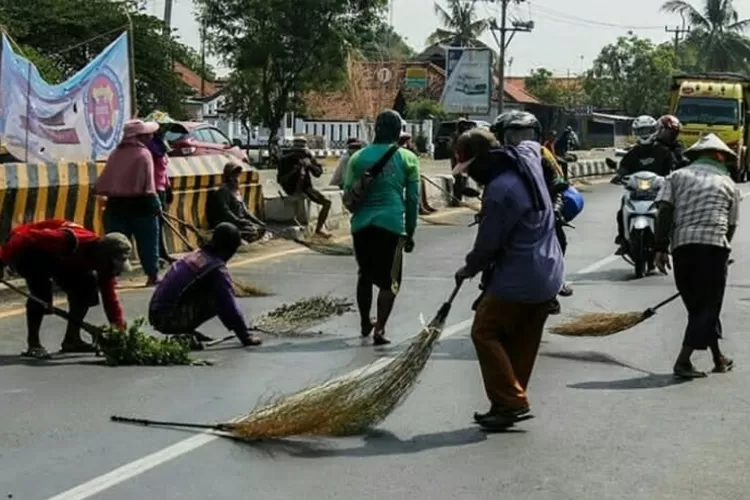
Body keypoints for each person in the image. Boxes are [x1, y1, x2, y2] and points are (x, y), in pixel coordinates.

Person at [453, 121, 564, 431]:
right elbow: (530, 143)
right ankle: (506, 403)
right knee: (522, 340)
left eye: (471, 167)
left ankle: (512, 400)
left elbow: (488, 244)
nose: (471, 175)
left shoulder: (500, 191)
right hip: (549, 274)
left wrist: (469, 267)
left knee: (484, 331)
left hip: (520, 275)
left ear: (486, 158)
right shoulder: (526, 159)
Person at [653, 134, 740, 379]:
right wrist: (724, 249)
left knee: (698, 307)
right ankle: (683, 361)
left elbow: (664, 212)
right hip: (714, 247)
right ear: (720, 156)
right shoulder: (728, 183)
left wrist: (660, 247)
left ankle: (718, 357)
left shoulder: (676, 177)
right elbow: (731, 225)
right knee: (707, 307)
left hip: (682, 246)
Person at [0, 220, 132, 359]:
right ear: (102, 255)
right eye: (112, 265)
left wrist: (119, 332)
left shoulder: (104, 266)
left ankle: (72, 340)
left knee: (86, 288)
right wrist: (2, 261)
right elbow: (24, 238)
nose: (114, 272)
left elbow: (110, 300)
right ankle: (34, 344)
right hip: (28, 247)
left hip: (59, 257)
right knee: (41, 292)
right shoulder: (69, 240)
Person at [344, 110, 420, 346]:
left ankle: (365, 322)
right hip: (392, 225)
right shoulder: (408, 158)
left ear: (376, 129)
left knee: (364, 275)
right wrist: (410, 232)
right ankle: (380, 329)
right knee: (390, 281)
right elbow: (412, 200)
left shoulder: (358, 158)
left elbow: (348, 193)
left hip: (361, 226)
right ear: (398, 131)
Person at [490, 111, 572, 312]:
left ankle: (555, 282)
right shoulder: (498, 159)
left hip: (540, 212)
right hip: (508, 214)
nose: (521, 141)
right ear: (502, 137)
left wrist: (556, 209)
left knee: (559, 237)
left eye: (525, 135)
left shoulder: (544, 155)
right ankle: (488, 285)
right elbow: (489, 189)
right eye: (514, 136)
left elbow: (558, 182)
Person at [149, 222, 263, 349]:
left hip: (156, 313)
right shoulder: (216, 269)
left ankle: (185, 329)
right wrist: (245, 335)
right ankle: (180, 329)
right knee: (219, 296)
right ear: (230, 249)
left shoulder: (198, 254)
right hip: (167, 319)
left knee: (211, 290)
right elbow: (228, 305)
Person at [96, 119, 162, 286]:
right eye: (147, 135)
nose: (150, 137)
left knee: (115, 245)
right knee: (147, 242)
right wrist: (157, 205)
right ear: (140, 136)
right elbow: (148, 185)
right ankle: (152, 275)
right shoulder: (144, 154)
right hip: (142, 205)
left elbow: (104, 180)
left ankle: (111, 278)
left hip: (116, 205)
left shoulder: (115, 154)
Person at [613, 115, 675, 255]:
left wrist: (671, 179)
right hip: (636, 191)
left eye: (647, 130)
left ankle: (669, 240)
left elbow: (672, 171)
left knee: (669, 210)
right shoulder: (632, 154)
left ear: (655, 131)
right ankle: (623, 239)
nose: (644, 134)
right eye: (641, 131)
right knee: (622, 206)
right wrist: (619, 176)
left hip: (658, 191)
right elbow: (623, 170)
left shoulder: (664, 152)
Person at [277, 136, 332, 237]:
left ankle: (319, 229)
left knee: (327, 203)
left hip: (306, 188)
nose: (301, 154)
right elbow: (280, 180)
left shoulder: (308, 157)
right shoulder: (285, 160)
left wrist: (310, 165)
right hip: (291, 187)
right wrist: (294, 171)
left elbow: (318, 173)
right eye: (298, 152)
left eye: (302, 152)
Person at [206, 163, 266, 244]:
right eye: (234, 176)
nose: (237, 179)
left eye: (237, 176)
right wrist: (239, 221)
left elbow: (246, 212)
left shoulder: (236, 192)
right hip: (229, 223)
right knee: (251, 232)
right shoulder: (223, 191)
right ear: (229, 177)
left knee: (260, 229)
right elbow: (225, 211)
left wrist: (258, 222)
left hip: (240, 223)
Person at [147, 129, 175, 265]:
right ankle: (156, 255)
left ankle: (163, 253)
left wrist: (169, 187)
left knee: (161, 223)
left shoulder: (162, 146)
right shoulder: (151, 148)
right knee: (154, 224)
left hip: (162, 188)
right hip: (153, 189)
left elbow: (164, 172)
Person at [399, 132, 436, 215]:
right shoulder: (397, 150)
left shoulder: (409, 149)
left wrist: (412, 146)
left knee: (421, 181)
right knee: (415, 182)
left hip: (407, 173)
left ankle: (424, 204)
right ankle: (419, 207)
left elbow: (417, 155)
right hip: (399, 175)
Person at [451, 119, 476, 206]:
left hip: (464, 161)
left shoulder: (466, 135)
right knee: (458, 180)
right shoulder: (456, 135)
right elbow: (454, 149)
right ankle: (456, 199)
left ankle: (459, 198)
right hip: (458, 162)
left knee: (463, 180)